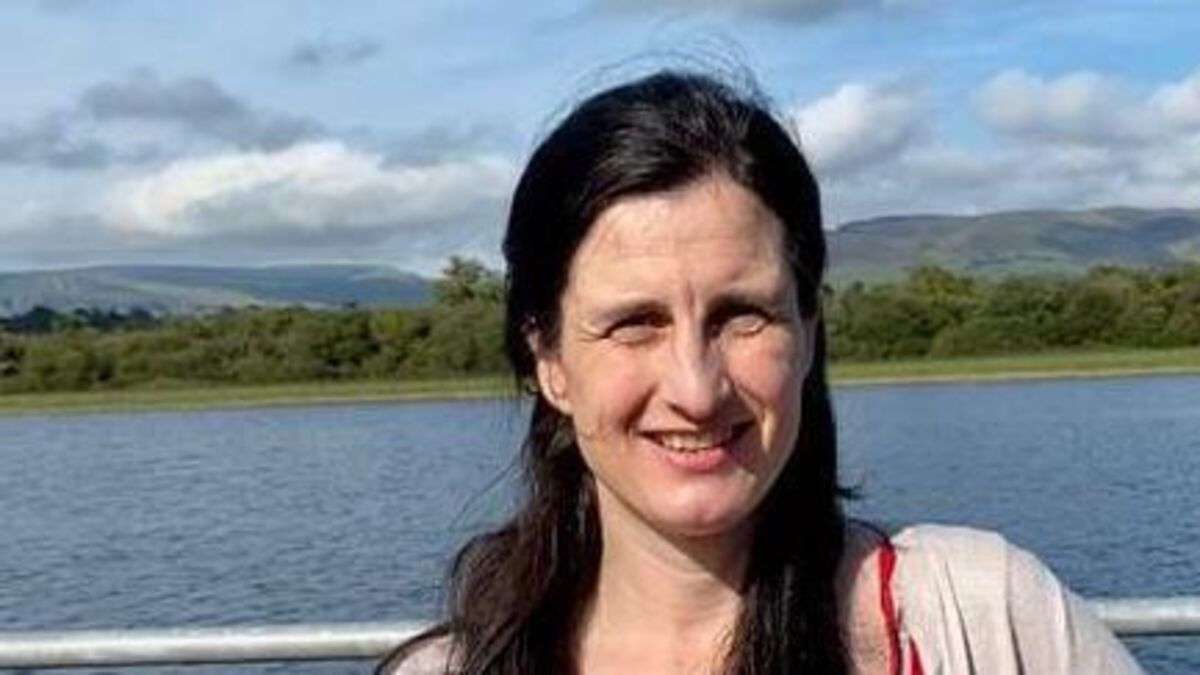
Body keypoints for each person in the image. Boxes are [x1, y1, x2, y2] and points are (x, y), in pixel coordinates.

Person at [379, 69, 1142, 674]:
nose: (696, 387)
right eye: (635, 323)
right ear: (549, 361)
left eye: (743, 314)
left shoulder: (985, 619)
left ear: (808, 331)